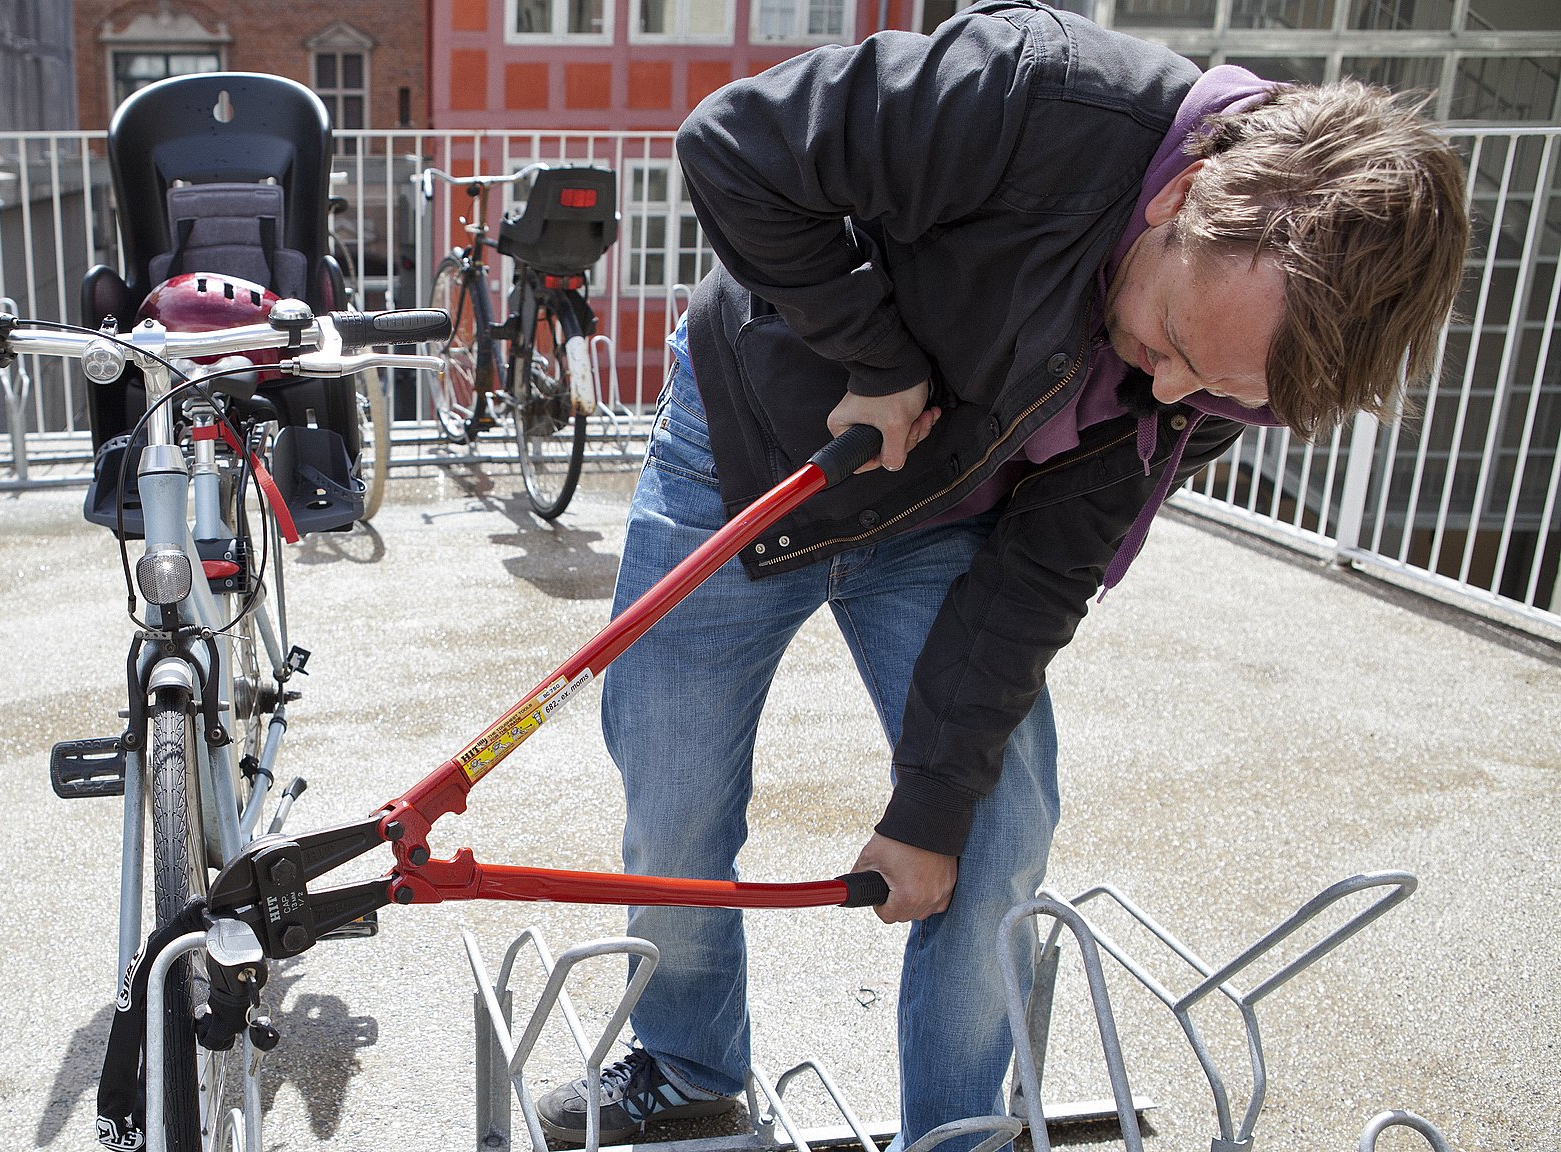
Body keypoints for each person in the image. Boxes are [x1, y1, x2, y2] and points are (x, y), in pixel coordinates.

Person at [533, 1, 1470, 1148]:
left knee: (994, 824)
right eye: (1173, 342)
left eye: (1214, 390)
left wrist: (927, 811)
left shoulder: (1219, 373)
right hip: (757, 451)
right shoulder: (1033, 93)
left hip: (947, 514)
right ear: (1179, 200)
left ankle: (960, 1129)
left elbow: (1038, 577)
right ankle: (685, 1069)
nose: (1172, 393)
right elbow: (733, 145)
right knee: (672, 789)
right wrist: (871, 356)